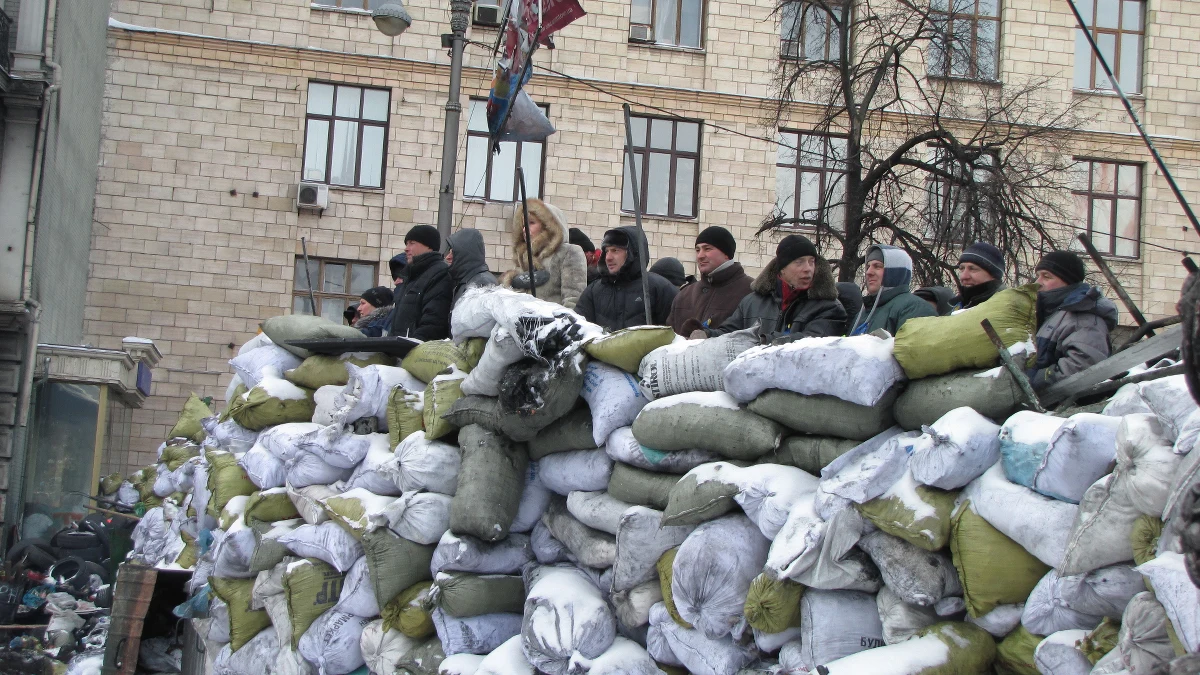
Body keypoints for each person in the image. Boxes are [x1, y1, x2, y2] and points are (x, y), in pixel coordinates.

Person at [705, 234, 845, 343]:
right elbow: (728, 335)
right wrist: (706, 334)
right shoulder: (752, 302)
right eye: (799, 262)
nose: (808, 269)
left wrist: (766, 341)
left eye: (811, 262)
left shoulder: (829, 307)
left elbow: (812, 343)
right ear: (782, 269)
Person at [1026, 250, 1118, 390]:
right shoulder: (1050, 313)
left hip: (1056, 402)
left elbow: (1082, 368)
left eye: (1046, 276)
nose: (1038, 282)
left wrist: (1030, 380)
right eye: (1038, 276)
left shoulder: (1083, 317)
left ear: (1068, 281)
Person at [575, 226, 678, 330]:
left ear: (632, 252)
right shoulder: (593, 291)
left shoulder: (659, 288)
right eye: (606, 251)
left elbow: (675, 332)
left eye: (615, 250)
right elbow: (579, 330)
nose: (608, 257)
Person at [500, 199, 588, 309]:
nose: (524, 229)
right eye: (523, 224)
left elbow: (574, 301)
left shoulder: (568, 252)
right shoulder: (524, 257)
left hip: (553, 319)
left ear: (548, 225)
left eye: (531, 223)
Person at [666, 226, 753, 336]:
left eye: (707, 249)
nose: (700, 256)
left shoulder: (750, 291)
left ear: (726, 254)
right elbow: (670, 338)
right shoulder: (684, 295)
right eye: (698, 250)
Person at [849, 244, 937, 335]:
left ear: (895, 272)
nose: (868, 272)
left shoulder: (915, 308)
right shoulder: (863, 313)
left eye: (877, 266)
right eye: (868, 267)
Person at [388, 225, 452, 340]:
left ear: (429, 246)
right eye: (406, 244)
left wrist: (411, 345)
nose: (406, 249)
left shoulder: (439, 273)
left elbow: (434, 321)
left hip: (417, 348)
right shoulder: (411, 276)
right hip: (401, 348)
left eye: (412, 243)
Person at [445, 228, 498, 305]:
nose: (447, 257)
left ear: (465, 254)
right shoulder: (466, 279)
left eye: (453, 253)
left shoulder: (481, 283)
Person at [953, 241, 1006, 309]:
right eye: (962, 268)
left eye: (972, 269)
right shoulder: (954, 306)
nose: (964, 276)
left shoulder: (1004, 308)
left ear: (993, 275)